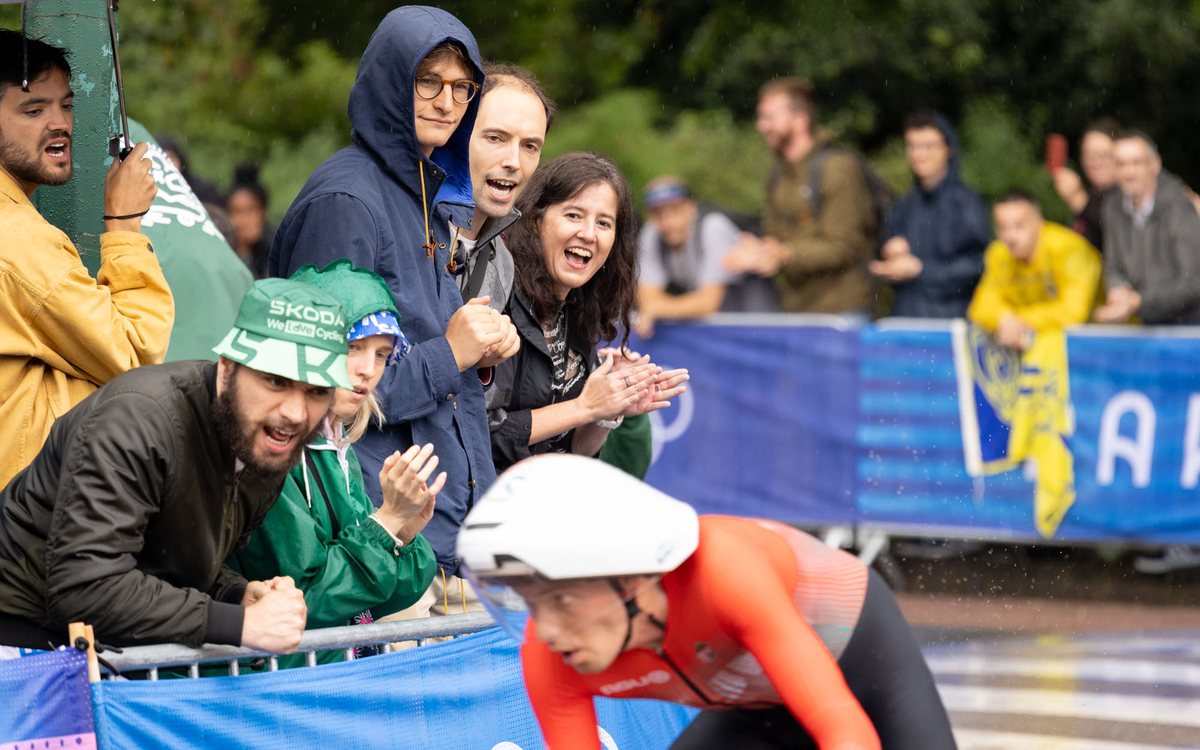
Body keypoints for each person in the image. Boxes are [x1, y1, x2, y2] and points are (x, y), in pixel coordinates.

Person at [270, 7, 514, 615]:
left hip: (447, 545)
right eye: (427, 80)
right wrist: (450, 352)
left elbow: (427, 360)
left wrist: (472, 356)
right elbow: (316, 391)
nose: (446, 101)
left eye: (462, 87)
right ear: (388, 80)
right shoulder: (345, 201)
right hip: (377, 549)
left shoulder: (428, 194)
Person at [458, 454, 957, 750]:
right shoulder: (551, 653)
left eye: (562, 600)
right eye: (530, 602)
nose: (544, 630)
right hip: (749, 702)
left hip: (857, 657)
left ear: (631, 577)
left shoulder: (722, 569)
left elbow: (840, 724)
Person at [0, 278, 353, 651]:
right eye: (276, 381)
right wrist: (237, 624)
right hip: (21, 644)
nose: (296, 413)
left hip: (103, 651)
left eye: (317, 391)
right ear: (228, 369)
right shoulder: (138, 420)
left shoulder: (264, 439)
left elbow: (170, 557)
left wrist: (236, 595)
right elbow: (85, 586)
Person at [231, 260, 439, 665]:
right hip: (277, 690)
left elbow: (368, 601)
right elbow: (309, 603)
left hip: (329, 678)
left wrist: (404, 535)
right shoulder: (268, 452)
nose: (368, 370)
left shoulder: (337, 447)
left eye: (382, 354)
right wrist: (386, 524)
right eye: (352, 347)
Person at [0, 31, 175, 489]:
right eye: (33, 110)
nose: (60, 123)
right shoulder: (17, 238)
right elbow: (135, 356)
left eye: (67, 105)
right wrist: (123, 224)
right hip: (22, 512)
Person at [488, 153, 689, 475]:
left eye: (604, 223)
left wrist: (609, 411)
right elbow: (480, 435)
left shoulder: (578, 312)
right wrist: (584, 405)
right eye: (574, 215)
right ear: (536, 220)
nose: (589, 233)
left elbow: (570, 454)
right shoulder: (496, 298)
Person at [723, 77, 876, 314]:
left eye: (770, 117)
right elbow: (777, 237)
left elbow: (844, 246)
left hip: (842, 311)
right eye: (761, 118)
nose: (761, 126)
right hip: (797, 311)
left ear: (801, 120)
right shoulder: (776, 175)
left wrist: (785, 254)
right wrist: (760, 251)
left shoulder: (837, 168)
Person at [440, 61, 555, 316]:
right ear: (455, 137)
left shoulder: (502, 263)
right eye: (495, 138)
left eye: (530, 146)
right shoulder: (404, 230)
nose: (514, 162)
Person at [870, 111, 989, 318]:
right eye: (912, 145)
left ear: (948, 148)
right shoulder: (903, 205)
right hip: (906, 321)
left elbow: (980, 265)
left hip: (949, 324)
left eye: (928, 146)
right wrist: (890, 256)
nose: (919, 154)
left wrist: (921, 269)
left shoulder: (967, 203)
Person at [968, 191, 1101, 349]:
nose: (1010, 236)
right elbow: (979, 307)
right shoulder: (999, 254)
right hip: (1043, 347)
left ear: (1039, 222)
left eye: (1019, 225)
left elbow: (1074, 312)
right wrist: (1003, 318)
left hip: (1104, 342)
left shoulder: (1069, 249)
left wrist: (1016, 320)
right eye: (1002, 227)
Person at [1094, 130, 1200, 325]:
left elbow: (1194, 283)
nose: (1129, 172)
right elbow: (1113, 264)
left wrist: (1139, 301)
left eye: (1136, 163)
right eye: (1121, 164)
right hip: (1147, 319)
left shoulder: (1179, 205)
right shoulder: (1112, 206)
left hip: (1191, 322)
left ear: (1154, 165)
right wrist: (1117, 291)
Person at [634, 177, 742, 337]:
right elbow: (647, 299)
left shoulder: (713, 227)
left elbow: (708, 303)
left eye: (675, 210)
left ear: (692, 207)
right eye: (658, 213)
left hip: (747, 308)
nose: (667, 221)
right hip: (711, 315)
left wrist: (659, 308)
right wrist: (656, 307)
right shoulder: (652, 233)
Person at [1051, 118, 1120, 250]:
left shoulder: (1130, 195)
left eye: (1103, 154)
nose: (1095, 161)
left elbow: (1117, 232)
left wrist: (1078, 199)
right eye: (1088, 154)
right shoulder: (1094, 195)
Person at [227, 163, 276, 279]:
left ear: (263, 213)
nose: (244, 220)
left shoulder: (276, 249)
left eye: (250, 210)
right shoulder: (222, 252)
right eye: (236, 211)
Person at [155, 132, 223, 205]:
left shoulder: (201, 191)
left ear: (180, 159)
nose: (166, 162)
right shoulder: (145, 190)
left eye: (171, 157)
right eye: (160, 157)